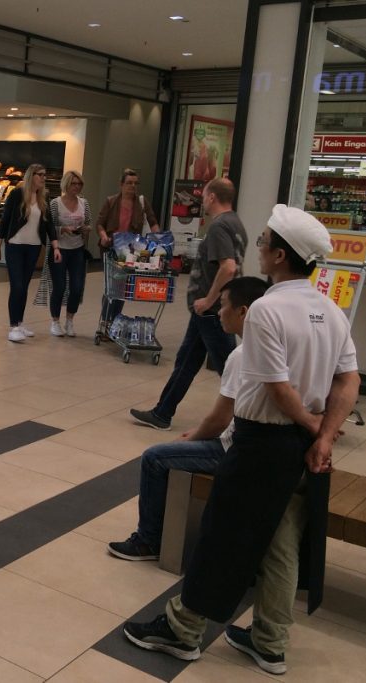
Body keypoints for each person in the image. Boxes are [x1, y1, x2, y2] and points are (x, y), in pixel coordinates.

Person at [123, 205, 359, 676]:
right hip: (301, 449)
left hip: (261, 443)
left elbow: (277, 387)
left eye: (265, 240)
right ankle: (269, 641)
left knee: (223, 536)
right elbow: (347, 381)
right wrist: (324, 436)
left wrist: (317, 430)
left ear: (278, 254)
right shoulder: (330, 311)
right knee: (281, 545)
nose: (259, 247)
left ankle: (183, 631)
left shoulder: (267, 309)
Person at [108, 276, 269, 561]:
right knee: (188, 361)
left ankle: (148, 541)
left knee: (155, 457)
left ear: (243, 311)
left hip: (237, 450)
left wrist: (193, 435)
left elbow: (220, 420)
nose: (218, 312)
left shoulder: (243, 355)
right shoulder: (276, 346)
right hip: (262, 446)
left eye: (223, 306)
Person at [130, 177, 246, 431]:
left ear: (213, 197)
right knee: (187, 361)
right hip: (207, 311)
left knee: (230, 367)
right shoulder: (236, 224)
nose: (202, 200)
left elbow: (228, 267)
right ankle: (162, 413)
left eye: (204, 196)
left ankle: (249, 419)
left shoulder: (219, 227)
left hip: (212, 312)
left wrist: (209, 299)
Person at [0, 163, 58, 343]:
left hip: (33, 247)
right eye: (41, 174)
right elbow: (4, 221)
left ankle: (20, 323)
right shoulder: (17, 194)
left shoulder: (43, 197)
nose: (44, 178)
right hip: (14, 246)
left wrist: (56, 246)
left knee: (25, 286)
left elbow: (49, 224)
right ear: (32, 176)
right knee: (17, 286)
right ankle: (13, 326)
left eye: (45, 175)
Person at [94, 169, 161, 336]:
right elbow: (100, 223)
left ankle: (114, 321)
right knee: (111, 287)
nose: (132, 187)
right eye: (129, 183)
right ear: (121, 185)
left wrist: (159, 243)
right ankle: (105, 320)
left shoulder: (142, 202)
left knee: (123, 288)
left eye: (135, 183)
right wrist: (103, 236)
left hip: (130, 252)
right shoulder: (111, 201)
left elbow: (153, 222)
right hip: (111, 249)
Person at [44, 170, 91, 337]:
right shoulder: (55, 203)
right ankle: (55, 321)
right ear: (66, 184)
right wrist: (63, 229)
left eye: (79, 184)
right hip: (60, 250)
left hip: (77, 249)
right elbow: (49, 228)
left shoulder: (84, 203)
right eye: (74, 183)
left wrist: (85, 229)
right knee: (60, 287)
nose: (77, 187)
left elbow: (89, 223)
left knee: (77, 287)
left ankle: (70, 320)